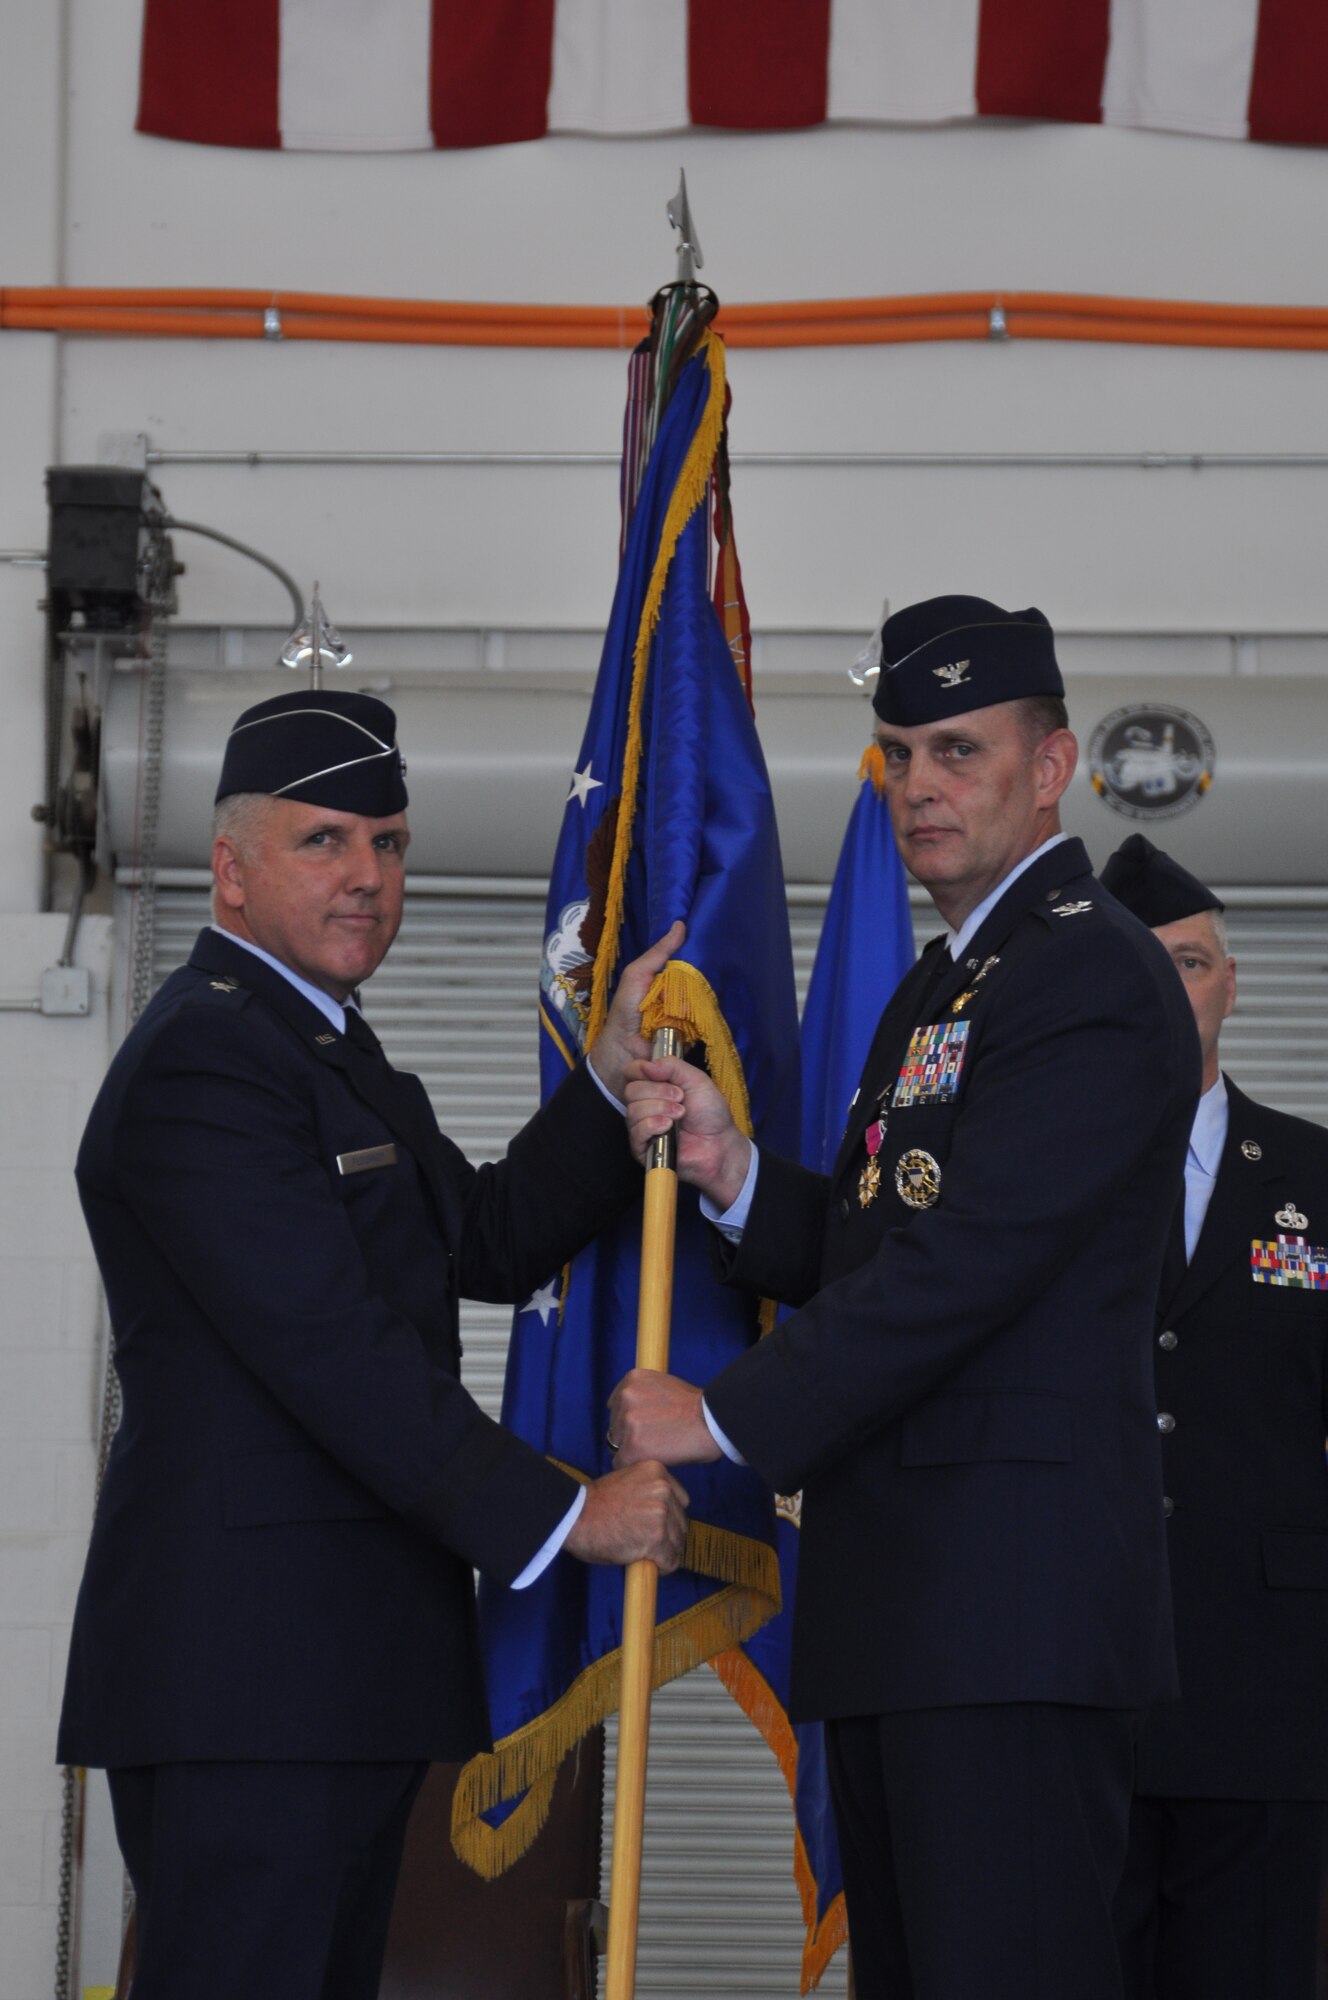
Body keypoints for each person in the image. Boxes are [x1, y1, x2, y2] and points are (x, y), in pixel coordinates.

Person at [608, 595, 1202, 2000]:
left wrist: (727, 1417)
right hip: (909, 1614)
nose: (920, 787)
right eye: (897, 755)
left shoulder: (1096, 976)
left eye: (957, 750)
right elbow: (894, 1232)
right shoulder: (946, 983)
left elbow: (971, 1263)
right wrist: (739, 1171)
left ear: (1049, 768)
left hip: (1011, 1620)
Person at [57, 688, 689, 2000]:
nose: (367, 877)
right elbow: (333, 1354)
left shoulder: (325, 1051)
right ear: (229, 871)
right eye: (324, 842)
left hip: (336, 1676)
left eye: (388, 845)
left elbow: (487, 1240)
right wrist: (569, 1516)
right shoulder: (207, 1063)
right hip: (245, 1681)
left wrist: (608, 1075)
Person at [1100, 832, 1328, 2000]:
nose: (1162, 987)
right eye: (1132, 962)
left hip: (1267, 1691)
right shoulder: (1028, 1177)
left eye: (1186, 962)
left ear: (1230, 983)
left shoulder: (1314, 1178)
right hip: (1074, 1683)